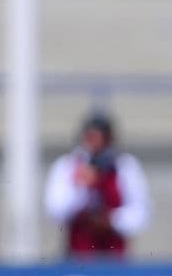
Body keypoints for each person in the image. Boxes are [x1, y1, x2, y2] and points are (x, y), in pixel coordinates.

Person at [44, 111, 152, 259]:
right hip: (77, 256)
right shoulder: (67, 166)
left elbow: (141, 213)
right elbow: (56, 211)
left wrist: (112, 220)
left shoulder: (125, 166)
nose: (96, 145)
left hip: (115, 257)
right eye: (91, 138)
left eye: (101, 139)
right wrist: (81, 188)